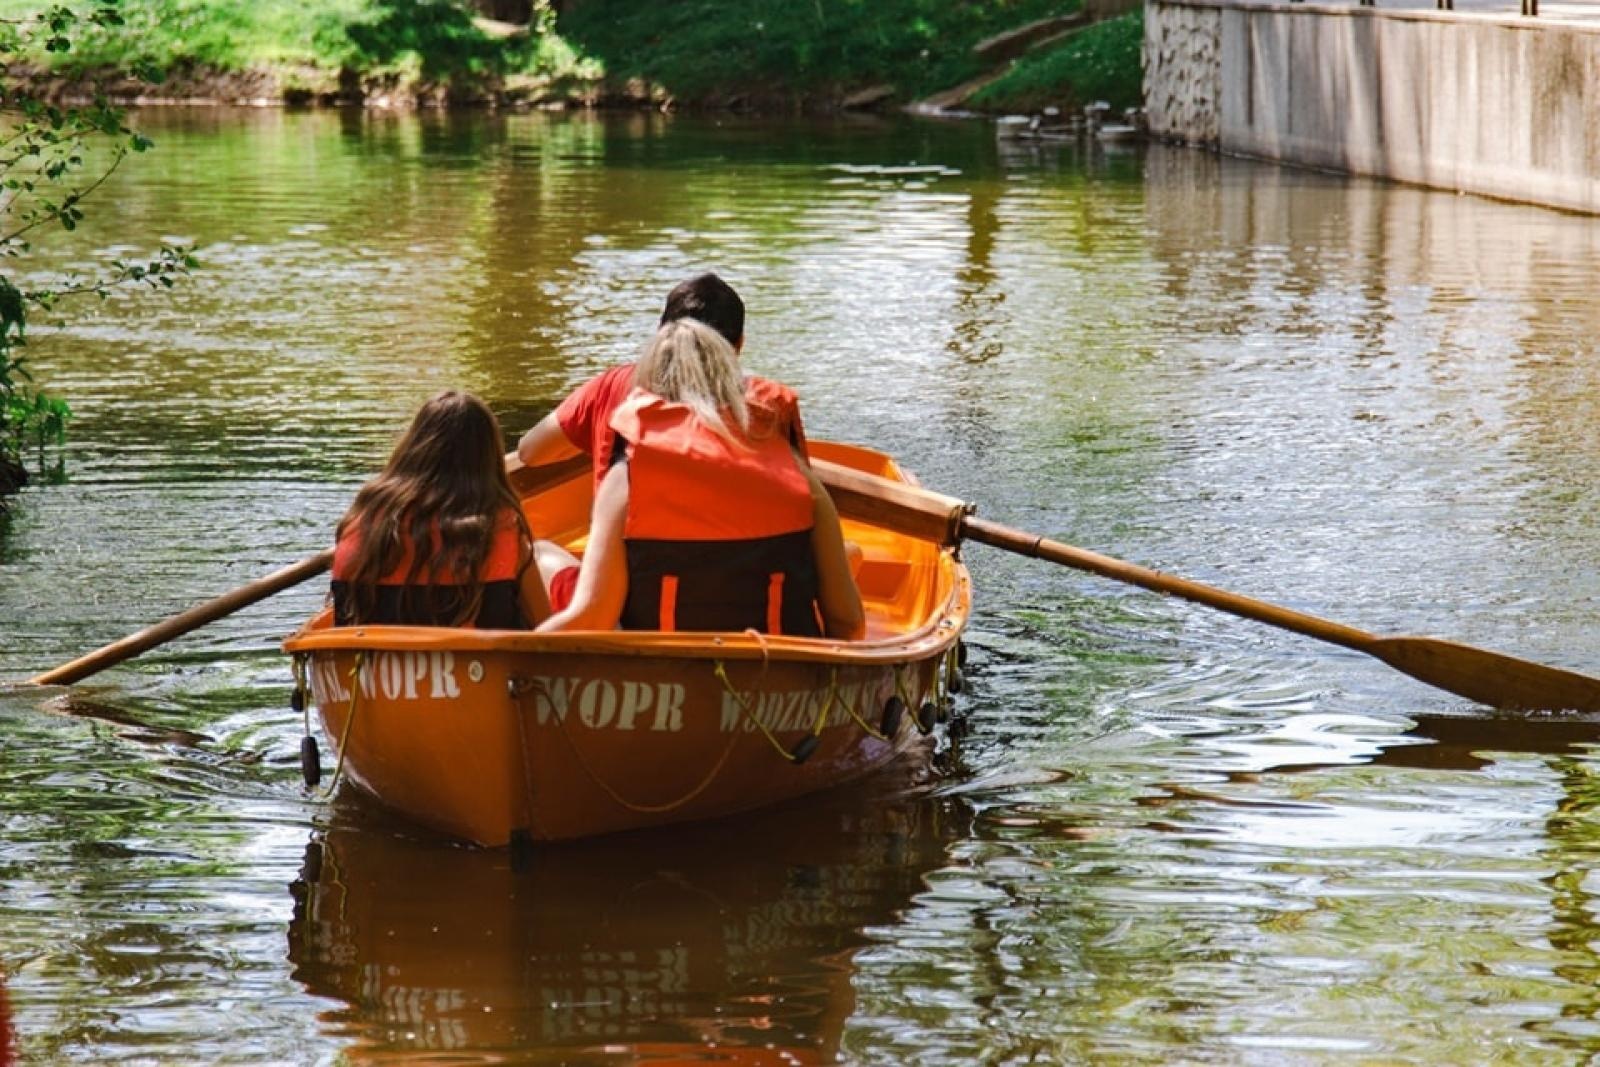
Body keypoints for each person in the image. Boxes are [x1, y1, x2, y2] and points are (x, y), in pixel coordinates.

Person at [537, 317, 864, 640]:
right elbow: (847, 622)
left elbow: (593, 617)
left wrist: (518, 651)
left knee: (540, 554)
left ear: (649, 385)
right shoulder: (797, 475)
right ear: (732, 380)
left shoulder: (625, 480)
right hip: (783, 671)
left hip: (660, 673)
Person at [516, 272, 809, 492]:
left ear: (662, 334)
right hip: (738, 554)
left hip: (635, 554)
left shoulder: (612, 386)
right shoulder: (764, 407)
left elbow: (530, 452)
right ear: (739, 345)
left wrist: (590, 435)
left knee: (541, 550)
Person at [331, 390, 551, 629]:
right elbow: (546, 629)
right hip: (474, 653)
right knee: (547, 556)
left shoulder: (363, 518)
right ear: (488, 459)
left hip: (368, 652)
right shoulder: (501, 528)